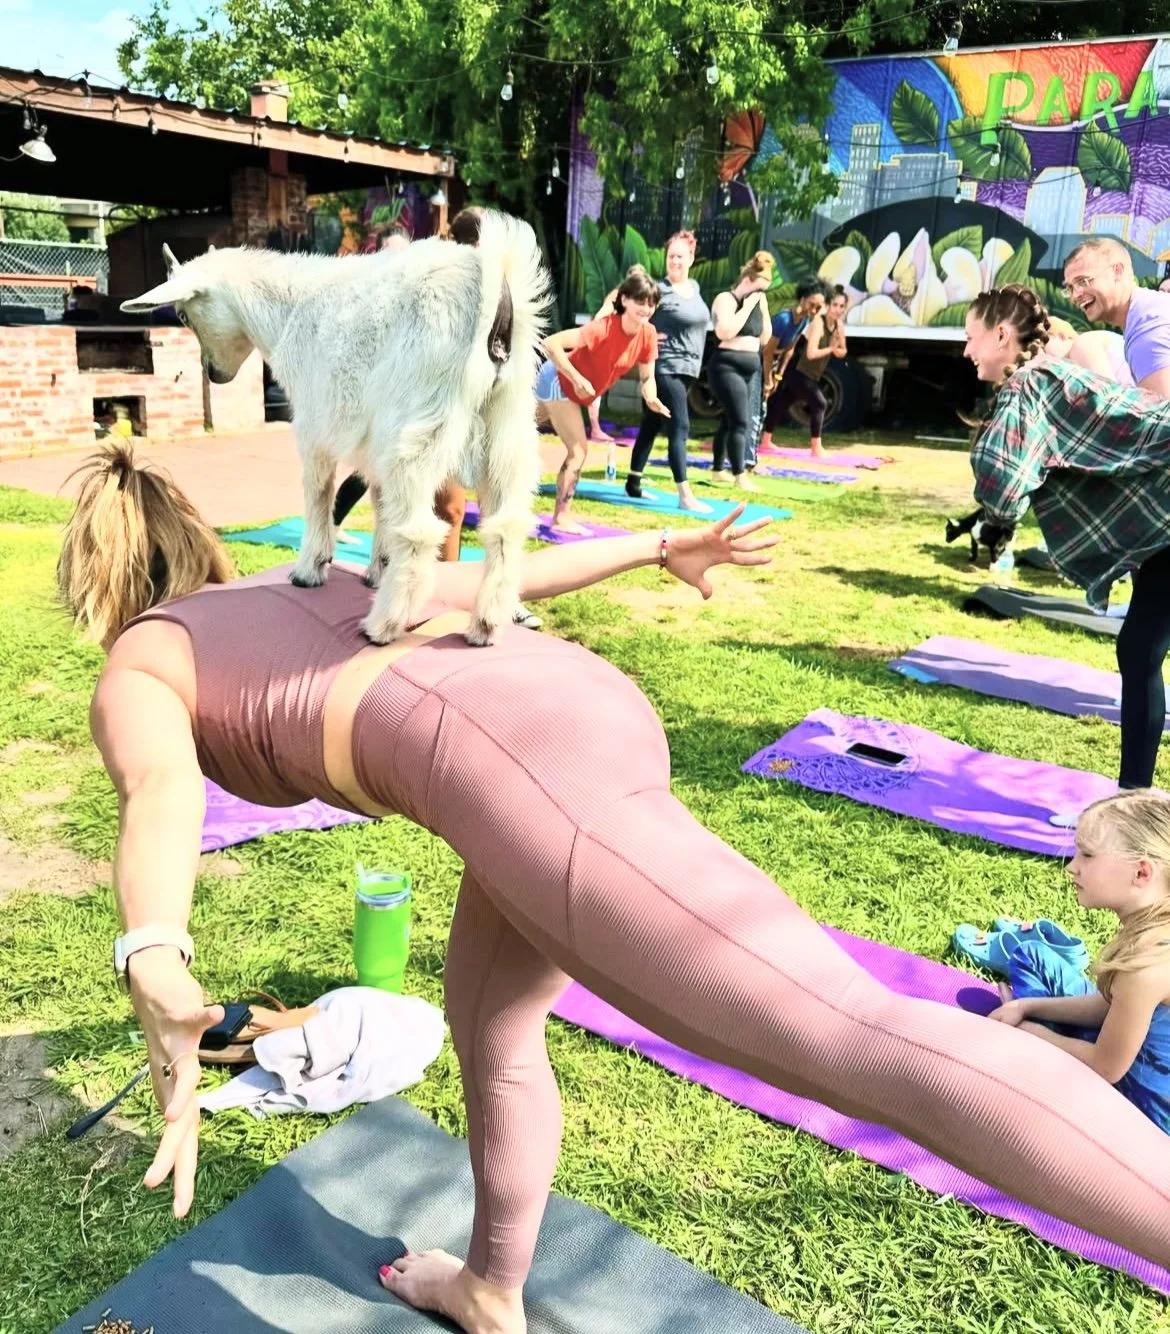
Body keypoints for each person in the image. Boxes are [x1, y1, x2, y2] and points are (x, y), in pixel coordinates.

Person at [61, 444, 1170, 1334]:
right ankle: (492, 1287)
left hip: (522, 763)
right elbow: (498, 579)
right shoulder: (299, 580)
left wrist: (152, 948)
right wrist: (659, 542)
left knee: (850, 1029)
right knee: (491, 1024)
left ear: (100, 588)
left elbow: (158, 787)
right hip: (552, 714)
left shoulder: (142, 659)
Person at [962, 284, 1170, 824]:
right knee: (1140, 647)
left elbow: (1001, 486)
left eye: (971, 337)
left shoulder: (1030, 386)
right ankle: (1134, 800)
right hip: (1163, 524)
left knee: (1141, 648)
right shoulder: (1052, 376)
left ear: (1002, 335)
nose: (966, 351)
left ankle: (1134, 805)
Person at [333, 206, 541, 630]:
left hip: (485, 395)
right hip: (434, 403)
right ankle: (430, 591)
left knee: (476, 497)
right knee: (432, 499)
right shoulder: (432, 285)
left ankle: (478, 589)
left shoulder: (498, 290)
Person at [990, 789, 1170, 1134]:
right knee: (1031, 956)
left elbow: (1105, 1068)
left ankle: (1053, 1052)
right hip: (1126, 1051)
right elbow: (1108, 1005)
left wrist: (1032, 1034)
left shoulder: (1148, 965)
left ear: (1141, 873)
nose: (1072, 867)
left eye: (1087, 855)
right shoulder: (1150, 928)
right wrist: (1028, 1007)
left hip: (1146, 1113)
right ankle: (1059, 1043)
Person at [539, 265, 667, 534]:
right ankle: (561, 518)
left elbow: (647, 377)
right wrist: (576, 378)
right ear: (624, 300)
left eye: (651, 304)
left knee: (503, 433)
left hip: (568, 389)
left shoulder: (648, 334)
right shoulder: (603, 328)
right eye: (640, 302)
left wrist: (651, 397)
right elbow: (551, 344)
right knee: (578, 451)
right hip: (557, 382)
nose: (646, 309)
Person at [621, 231, 712, 513]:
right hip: (665, 367)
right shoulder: (659, 291)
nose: (674, 261)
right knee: (680, 425)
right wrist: (645, 336)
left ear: (691, 259)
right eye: (671, 256)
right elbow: (631, 315)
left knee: (652, 423)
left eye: (680, 256)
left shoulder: (694, 288)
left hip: (687, 369)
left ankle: (633, 483)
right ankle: (685, 495)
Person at [1062, 238, 1170, 397]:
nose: (1076, 295)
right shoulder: (1149, 311)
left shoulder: (1147, 329)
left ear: (1117, 271)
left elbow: (1162, 417)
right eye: (1070, 288)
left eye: (1083, 281)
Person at [706, 252, 774, 490]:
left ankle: (717, 470)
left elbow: (765, 338)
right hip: (727, 366)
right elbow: (724, 332)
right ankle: (739, 475)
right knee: (740, 421)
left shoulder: (757, 303)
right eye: (759, 289)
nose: (760, 295)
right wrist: (747, 306)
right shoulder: (726, 299)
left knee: (729, 419)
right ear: (747, 282)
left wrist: (763, 309)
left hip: (750, 366)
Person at [763, 285, 849, 459]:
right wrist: (832, 348)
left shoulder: (838, 325)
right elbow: (811, 353)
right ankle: (816, 448)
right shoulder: (818, 322)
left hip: (811, 373)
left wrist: (838, 345)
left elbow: (842, 351)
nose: (838, 310)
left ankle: (766, 440)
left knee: (783, 401)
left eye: (842, 306)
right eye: (834, 305)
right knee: (820, 403)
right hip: (798, 369)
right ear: (828, 306)